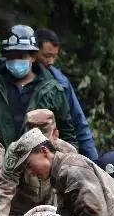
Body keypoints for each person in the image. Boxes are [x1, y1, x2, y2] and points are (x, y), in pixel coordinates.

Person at [0, 24, 79, 149]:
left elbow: (68, 136)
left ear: (33, 56)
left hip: (41, 160)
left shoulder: (52, 91)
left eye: (21, 56)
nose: (15, 60)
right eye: (11, 56)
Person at [0, 109, 77, 216]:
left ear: (55, 134)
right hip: (19, 215)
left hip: (51, 212)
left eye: (43, 142)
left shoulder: (67, 152)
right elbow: (5, 185)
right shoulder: (17, 151)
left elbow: (74, 192)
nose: (39, 148)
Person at [34, 28, 99, 161]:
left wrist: (93, 160)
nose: (51, 61)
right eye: (47, 56)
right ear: (33, 52)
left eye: (54, 56)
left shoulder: (61, 82)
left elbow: (78, 121)